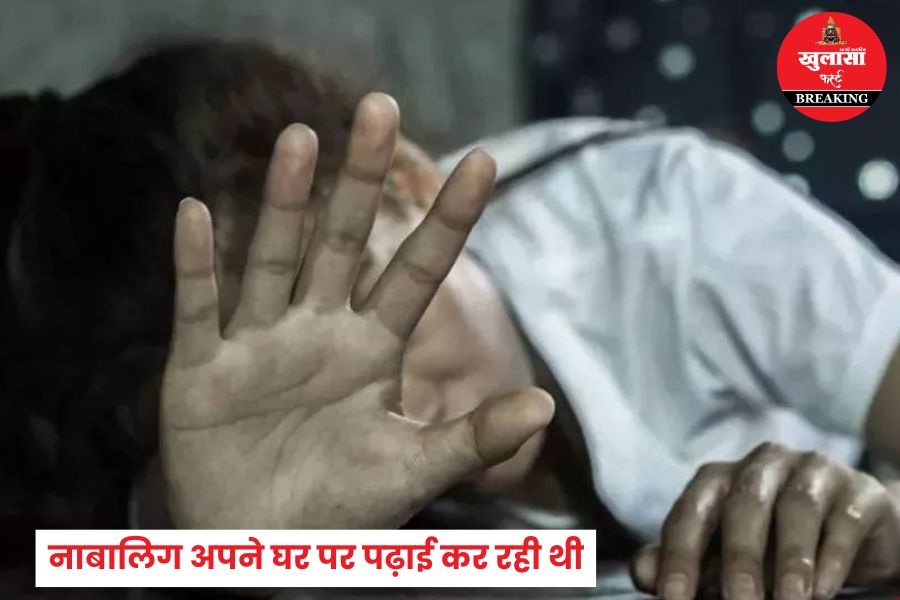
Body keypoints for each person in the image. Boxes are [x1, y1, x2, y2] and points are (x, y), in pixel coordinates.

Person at [2, 41, 899, 599]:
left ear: (410, 181)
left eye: (366, 299)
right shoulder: (248, 500)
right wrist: (223, 571)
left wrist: (880, 525)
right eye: (288, 387)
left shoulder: (666, 217)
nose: (370, 393)